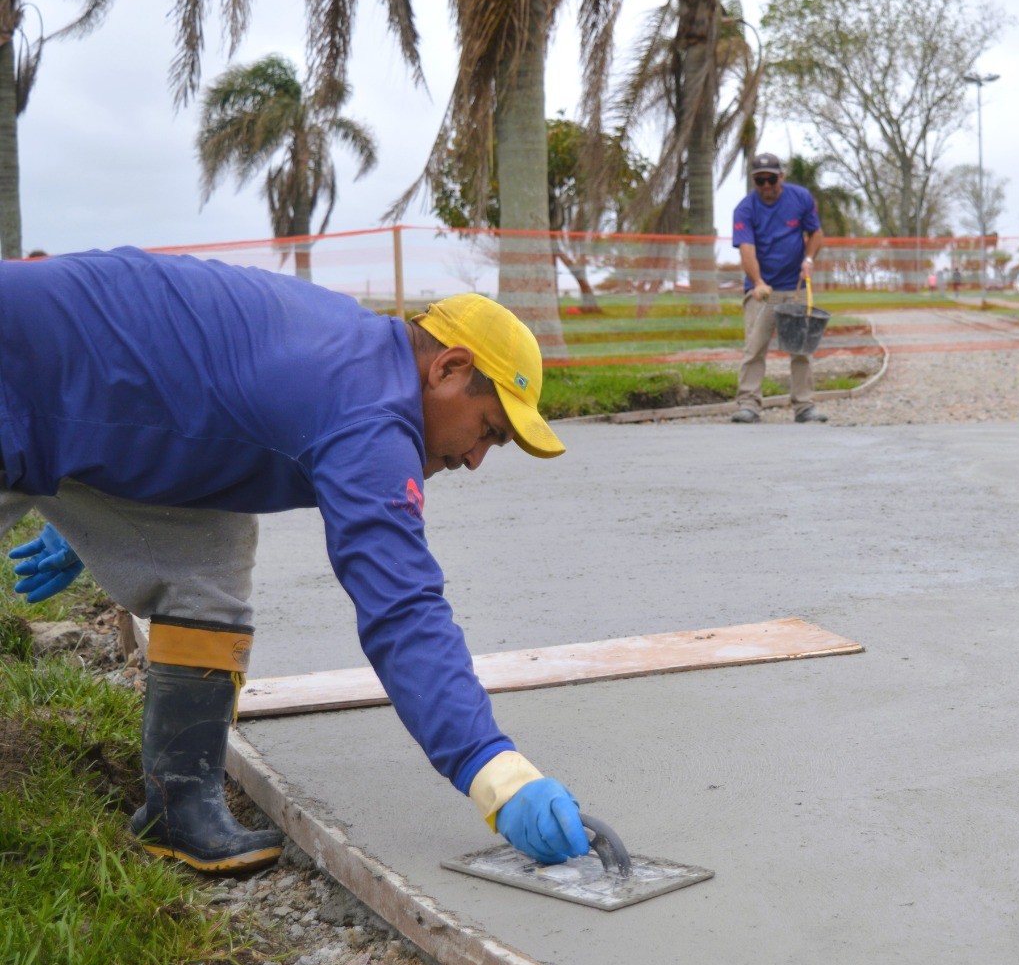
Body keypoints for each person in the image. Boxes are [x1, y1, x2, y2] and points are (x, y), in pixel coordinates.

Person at [1, 248, 589, 874]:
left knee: (210, 555)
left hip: (63, 381)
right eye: (489, 430)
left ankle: (179, 809)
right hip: (16, 365)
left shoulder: (352, 351)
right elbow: (401, 607)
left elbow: (176, 373)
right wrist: (495, 773)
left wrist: (95, 478)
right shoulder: (370, 413)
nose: (475, 460)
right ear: (449, 367)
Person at [729, 152, 826, 424]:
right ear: (754, 182)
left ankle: (804, 406)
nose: (766, 186)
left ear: (781, 176)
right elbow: (746, 250)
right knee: (754, 347)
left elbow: (815, 233)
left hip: (794, 287)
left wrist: (809, 260)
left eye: (771, 179)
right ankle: (749, 404)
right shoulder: (745, 209)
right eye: (760, 181)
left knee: (801, 348)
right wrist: (758, 282)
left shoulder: (800, 198)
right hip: (763, 290)